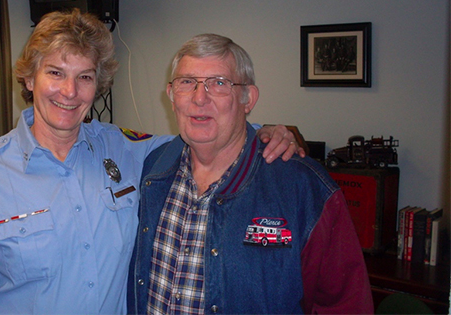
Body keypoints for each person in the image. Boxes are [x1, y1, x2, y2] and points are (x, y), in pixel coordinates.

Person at [0, 9, 299, 314]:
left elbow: (204, 134)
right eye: (55, 73)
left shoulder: (126, 150)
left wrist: (263, 131)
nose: (69, 92)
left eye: (85, 77)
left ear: (98, 85)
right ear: (30, 78)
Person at [128, 33, 373, 314]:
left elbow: (346, 304)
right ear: (171, 96)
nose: (199, 98)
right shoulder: (152, 171)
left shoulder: (303, 188)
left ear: (248, 98)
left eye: (218, 83)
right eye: (187, 82)